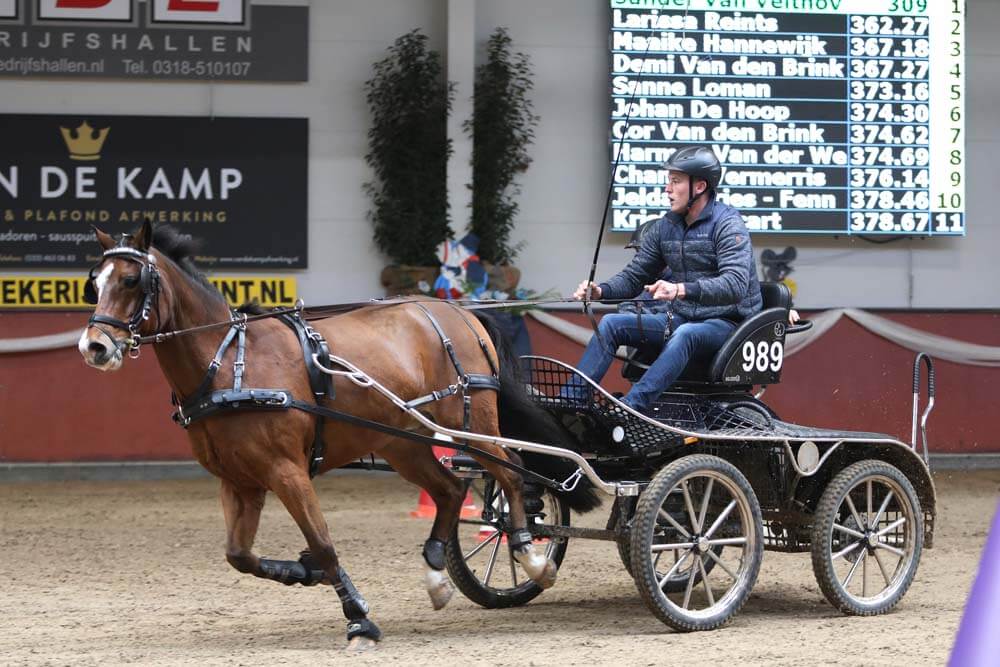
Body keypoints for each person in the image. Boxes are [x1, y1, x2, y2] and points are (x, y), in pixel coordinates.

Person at [567, 145, 763, 413]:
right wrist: (601, 291)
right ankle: (571, 403)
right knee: (612, 323)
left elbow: (735, 284)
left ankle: (630, 409)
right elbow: (635, 275)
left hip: (729, 323)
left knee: (686, 334)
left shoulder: (728, 224)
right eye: (668, 181)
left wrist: (681, 289)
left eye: (676, 181)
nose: (667, 189)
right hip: (684, 317)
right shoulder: (665, 227)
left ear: (700, 186)